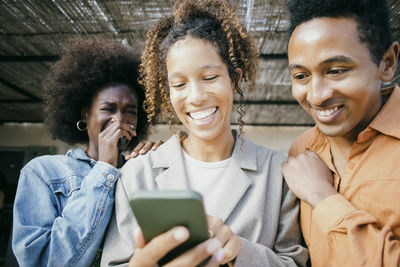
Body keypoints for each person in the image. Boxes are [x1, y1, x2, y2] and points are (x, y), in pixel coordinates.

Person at [101, 0, 309, 266]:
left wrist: (239, 251)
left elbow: (296, 262)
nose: (196, 97)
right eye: (179, 84)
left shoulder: (277, 172)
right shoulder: (136, 174)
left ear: (234, 80)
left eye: (210, 78)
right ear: (168, 92)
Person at [12, 38, 161, 266]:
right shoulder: (42, 172)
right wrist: (105, 168)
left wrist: (161, 165)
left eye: (130, 111)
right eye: (108, 109)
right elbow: (42, 261)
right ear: (84, 115)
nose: (119, 120)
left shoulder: (140, 167)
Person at [281, 0, 400, 266]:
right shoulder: (301, 151)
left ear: (388, 63)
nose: (316, 95)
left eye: (335, 71)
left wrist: (322, 197)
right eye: (301, 76)